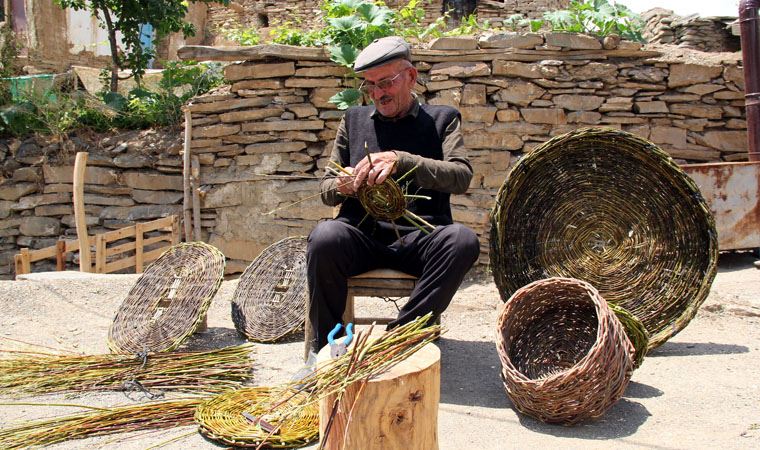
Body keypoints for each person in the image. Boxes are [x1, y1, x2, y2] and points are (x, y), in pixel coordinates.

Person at [305, 36, 480, 358]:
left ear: (411, 77)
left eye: (386, 82)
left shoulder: (442, 119)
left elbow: (461, 176)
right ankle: (331, 346)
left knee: (462, 241)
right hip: (362, 237)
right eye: (369, 85)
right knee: (325, 236)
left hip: (421, 238)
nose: (377, 93)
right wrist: (343, 185)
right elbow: (326, 189)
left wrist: (404, 160)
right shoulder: (353, 120)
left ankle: (399, 337)